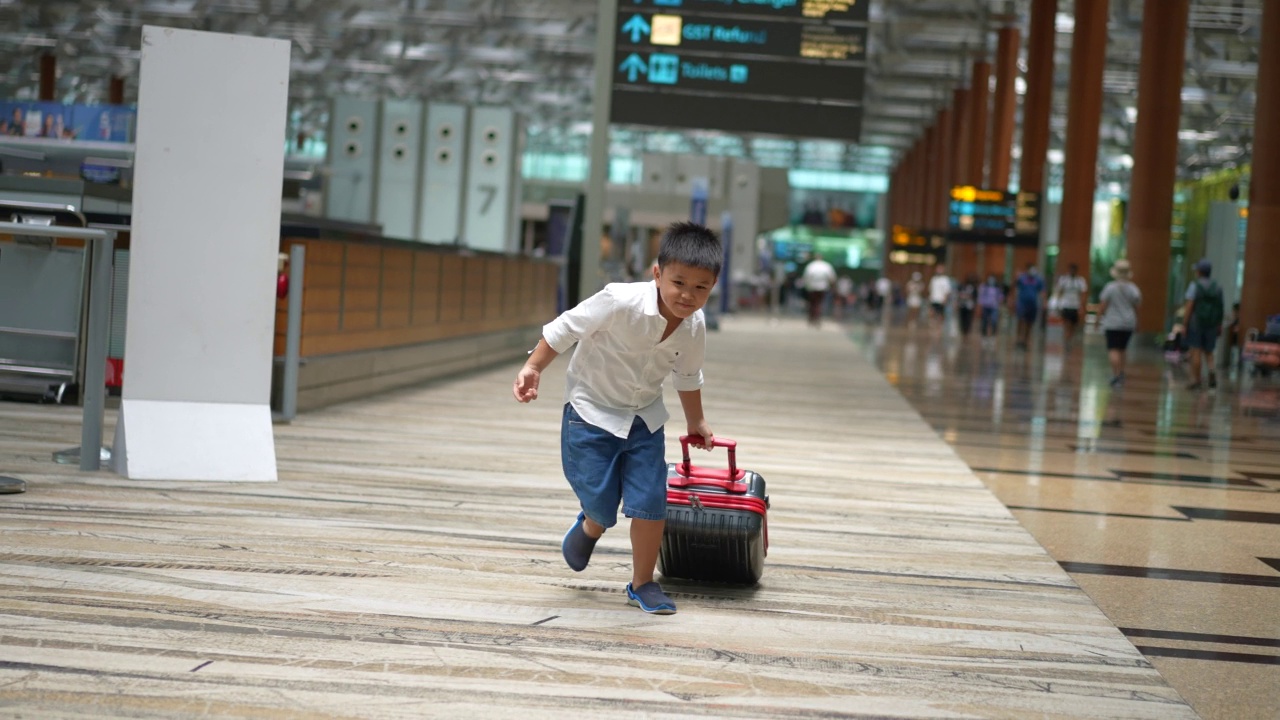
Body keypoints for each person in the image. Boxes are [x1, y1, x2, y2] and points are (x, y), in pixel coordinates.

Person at [512, 221, 721, 615]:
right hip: (590, 411)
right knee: (603, 503)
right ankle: (592, 522)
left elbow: (687, 376)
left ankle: (643, 582)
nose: (687, 296)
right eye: (679, 282)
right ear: (656, 274)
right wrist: (534, 368)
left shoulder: (694, 326)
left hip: (644, 417)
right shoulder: (618, 301)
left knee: (650, 502)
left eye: (701, 288)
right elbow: (565, 328)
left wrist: (696, 422)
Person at [1182, 258, 1225, 390]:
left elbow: (1190, 306)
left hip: (1197, 323)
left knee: (1196, 350)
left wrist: (1184, 323)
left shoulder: (1195, 285)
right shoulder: (1218, 287)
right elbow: (1221, 307)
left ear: (1199, 272)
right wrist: (1219, 324)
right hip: (1212, 323)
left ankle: (1196, 379)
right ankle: (1212, 371)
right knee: (1209, 351)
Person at [1098, 259, 1142, 387]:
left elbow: (1103, 305)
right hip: (1128, 323)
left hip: (1112, 322)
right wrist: (1138, 322)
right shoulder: (1134, 289)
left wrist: (1098, 319)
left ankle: (1116, 375)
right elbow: (1137, 307)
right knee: (1122, 349)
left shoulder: (1110, 287)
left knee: (1113, 349)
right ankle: (1121, 372)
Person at [1054, 263, 1088, 350]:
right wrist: (1058, 304)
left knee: (1073, 326)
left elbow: (1083, 294)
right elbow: (1059, 292)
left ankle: (1069, 339)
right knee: (1067, 324)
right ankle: (1066, 340)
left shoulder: (1080, 281)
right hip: (1066, 305)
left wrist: (1082, 306)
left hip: (1075, 306)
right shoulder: (1064, 280)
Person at [1012, 262, 1045, 349]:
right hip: (1022, 303)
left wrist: (1044, 302)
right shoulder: (1022, 278)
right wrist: (1013, 301)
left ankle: (1025, 341)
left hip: (1032, 304)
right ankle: (1018, 339)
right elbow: (1015, 287)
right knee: (1020, 321)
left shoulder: (1038, 280)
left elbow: (1042, 291)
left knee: (1029, 323)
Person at [801, 254, 837, 327]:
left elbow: (806, 277)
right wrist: (833, 286)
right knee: (818, 303)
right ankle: (816, 318)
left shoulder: (811, 266)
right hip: (822, 288)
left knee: (812, 304)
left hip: (812, 288)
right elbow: (832, 278)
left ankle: (812, 318)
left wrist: (807, 286)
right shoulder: (826, 266)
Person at [927, 264, 952, 328]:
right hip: (933, 298)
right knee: (931, 312)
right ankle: (932, 324)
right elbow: (930, 289)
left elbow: (947, 290)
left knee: (940, 313)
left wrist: (945, 299)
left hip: (941, 299)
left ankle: (940, 326)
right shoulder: (933, 279)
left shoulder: (945, 279)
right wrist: (930, 297)